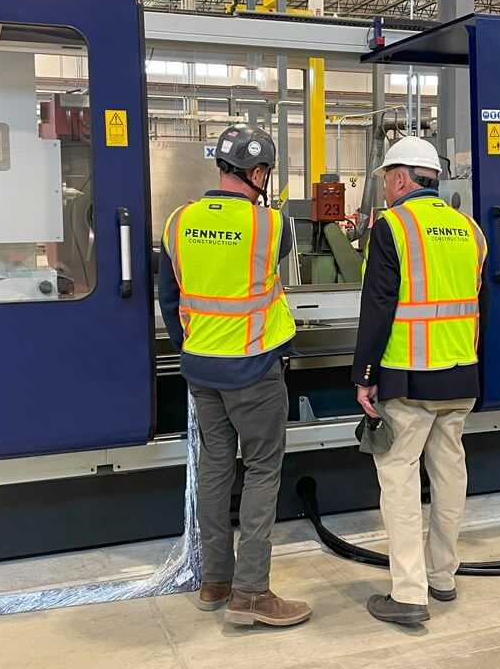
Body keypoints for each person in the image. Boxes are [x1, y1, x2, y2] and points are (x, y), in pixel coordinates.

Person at [158, 123, 312, 628]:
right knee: (263, 471)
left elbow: (169, 297)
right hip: (255, 368)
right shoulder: (273, 226)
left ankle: (214, 582)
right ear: (260, 172)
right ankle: (251, 593)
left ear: (221, 168)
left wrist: (193, 348)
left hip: (201, 369)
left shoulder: (178, 222)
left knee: (216, 468)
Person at [352, 136, 488, 625]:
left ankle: (409, 594)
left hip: (408, 378)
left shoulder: (393, 227)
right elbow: (479, 307)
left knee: (399, 480)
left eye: (387, 179)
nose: (386, 189)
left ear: (402, 178)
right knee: (451, 473)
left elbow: (378, 309)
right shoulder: (468, 229)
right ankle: (443, 576)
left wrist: (364, 376)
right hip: (460, 375)